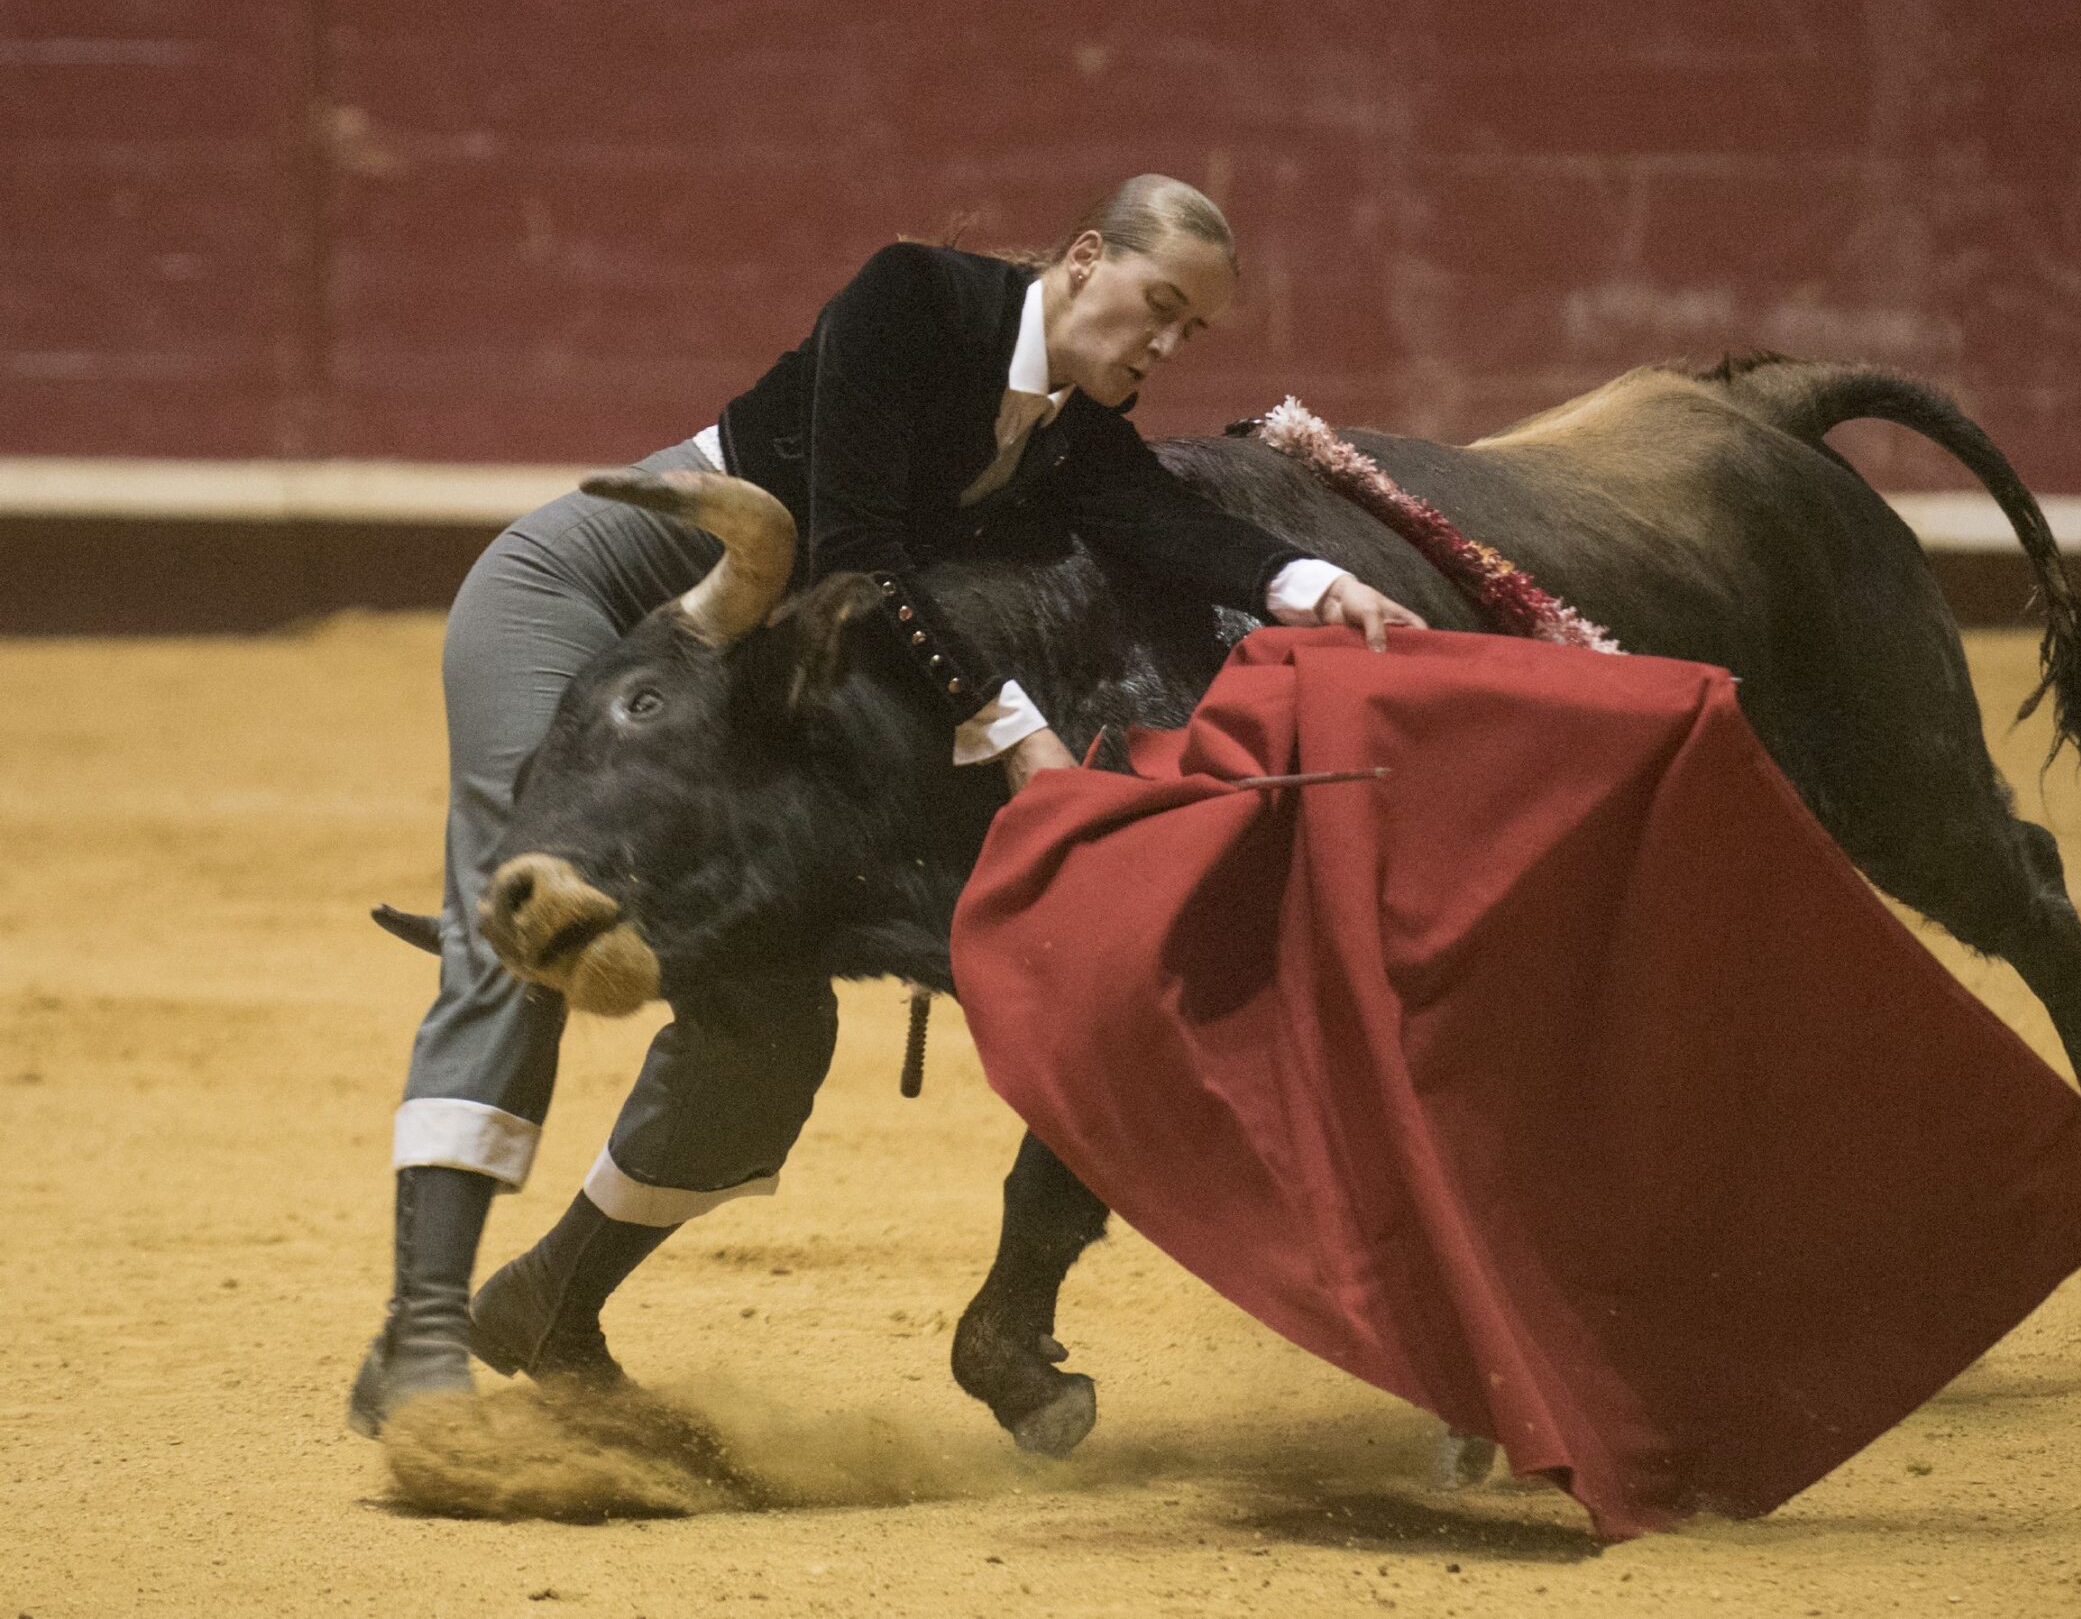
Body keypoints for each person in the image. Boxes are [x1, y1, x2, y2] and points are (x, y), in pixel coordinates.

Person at [350, 174, 1426, 1434]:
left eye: (1192, 332)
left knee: (770, 1032)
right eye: (1159, 305)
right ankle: (418, 1335)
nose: (1166, 345)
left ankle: (547, 1302)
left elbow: (1149, 519)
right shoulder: (912, 297)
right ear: (1086, 258)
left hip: (736, 676)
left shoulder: (1070, 422)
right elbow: (858, 557)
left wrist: (1311, 581)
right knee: (523, 926)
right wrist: (1017, 733)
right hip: (595, 601)